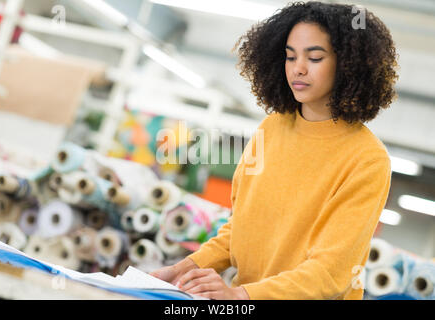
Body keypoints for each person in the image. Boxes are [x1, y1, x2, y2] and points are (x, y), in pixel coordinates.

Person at [150, 1, 399, 300]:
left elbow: (330, 273)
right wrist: (182, 269)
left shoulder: (367, 160)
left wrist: (240, 295)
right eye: (290, 56)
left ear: (348, 63)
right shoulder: (271, 128)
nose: (299, 68)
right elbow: (239, 229)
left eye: (315, 57)